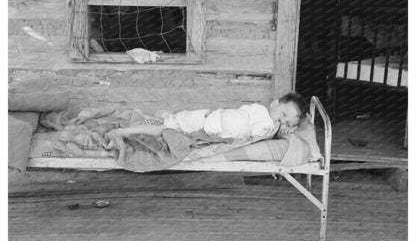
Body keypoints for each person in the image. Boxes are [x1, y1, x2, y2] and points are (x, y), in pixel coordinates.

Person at [105, 92, 308, 143]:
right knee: (163, 129)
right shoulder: (262, 114)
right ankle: (124, 130)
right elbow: (258, 134)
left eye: (287, 121)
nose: (281, 121)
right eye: (282, 114)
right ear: (274, 104)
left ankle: (137, 124)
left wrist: (285, 128)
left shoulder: (266, 119)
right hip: (203, 120)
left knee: (165, 127)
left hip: (205, 122)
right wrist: (280, 130)